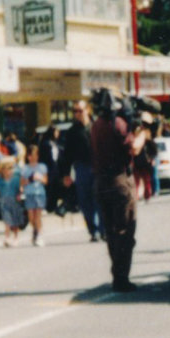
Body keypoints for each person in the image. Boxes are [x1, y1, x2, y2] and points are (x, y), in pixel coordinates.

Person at [89, 89, 151, 293]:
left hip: (101, 182)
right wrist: (143, 132)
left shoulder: (96, 125)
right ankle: (121, 277)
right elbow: (133, 148)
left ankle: (117, 273)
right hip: (119, 180)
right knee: (124, 231)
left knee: (111, 232)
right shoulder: (119, 124)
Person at [60, 100, 100, 240]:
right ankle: (93, 230)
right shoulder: (72, 131)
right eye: (75, 111)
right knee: (84, 201)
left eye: (80, 110)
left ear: (87, 110)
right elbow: (67, 154)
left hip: (98, 167)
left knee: (99, 199)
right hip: (82, 167)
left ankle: (103, 229)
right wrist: (66, 174)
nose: (77, 113)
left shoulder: (97, 126)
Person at [21, 151, 49, 247]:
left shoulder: (42, 167)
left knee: (38, 216)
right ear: (28, 157)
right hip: (29, 193)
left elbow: (45, 181)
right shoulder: (25, 168)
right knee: (31, 218)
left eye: (35, 155)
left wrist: (39, 178)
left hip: (39, 193)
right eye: (31, 155)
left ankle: (40, 236)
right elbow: (22, 182)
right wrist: (30, 179)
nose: (34, 157)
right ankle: (35, 230)